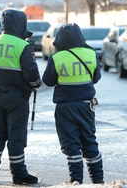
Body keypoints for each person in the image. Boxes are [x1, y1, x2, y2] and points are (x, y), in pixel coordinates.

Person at [0, 9, 41, 185]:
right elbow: (31, 74)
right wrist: (36, 84)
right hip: (18, 97)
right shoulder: (23, 45)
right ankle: (19, 174)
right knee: (16, 136)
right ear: (21, 24)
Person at [42, 23, 103, 185]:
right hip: (86, 105)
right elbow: (96, 78)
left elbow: (47, 81)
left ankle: (76, 182)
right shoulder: (91, 53)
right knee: (90, 141)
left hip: (65, 107)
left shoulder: (57, 57)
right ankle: (99, 183)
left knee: (71, 145)